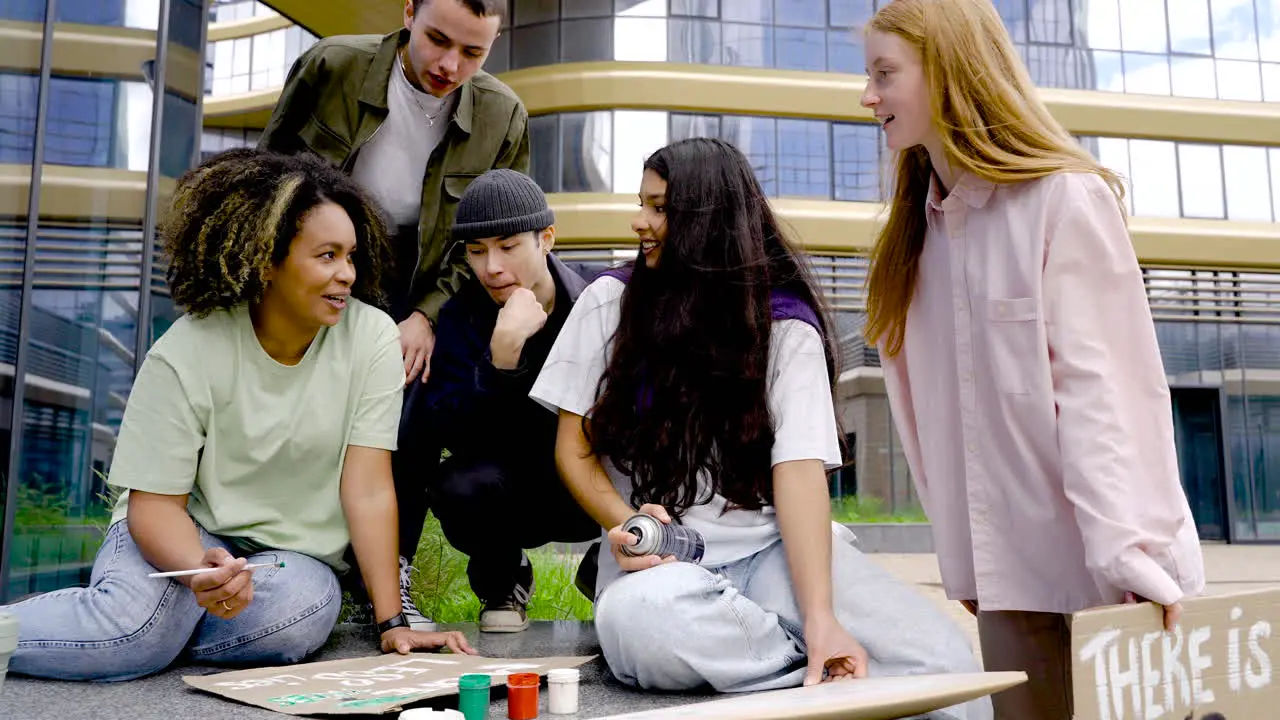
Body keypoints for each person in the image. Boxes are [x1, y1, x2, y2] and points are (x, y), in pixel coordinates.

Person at [527, 138, 989, 719]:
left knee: (949, 665)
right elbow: (573, 448)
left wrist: (821, 616)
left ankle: (810, 656)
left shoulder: (784, 326)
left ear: (707, 221)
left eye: (660, 208)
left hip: (776, 556)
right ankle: (823, 680)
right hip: (664, 570)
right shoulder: (608, 302)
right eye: (642, 203)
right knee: (638, 621)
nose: (639, 221)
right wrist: (630, 521)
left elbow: (797, 472)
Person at [0, 149, 474, 682]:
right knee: (131, 631)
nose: (347, 274)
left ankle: (160, 637)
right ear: (267, 259)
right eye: (326, 256)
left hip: (285, 562)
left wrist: (393, 621)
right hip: (183, 533)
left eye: (351, 256)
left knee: (299, 616)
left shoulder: (372, 339)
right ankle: (135, 638)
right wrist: (202, 571)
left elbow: (367, 488)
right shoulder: (189, 349)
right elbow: (155, 506)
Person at [858, 1, 1206, 718]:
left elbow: (1104, 394)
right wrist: (963, 555)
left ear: (948, 72)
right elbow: (933, 418)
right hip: (1004, 582)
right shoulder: (914, 242)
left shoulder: (1065, 201)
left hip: (1107, 579)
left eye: (884, 74)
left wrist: (1128, 553)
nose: (869, 97)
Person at [258, 0, 527, 628]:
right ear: (408, 12)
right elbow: (263, 178)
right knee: (315, 413)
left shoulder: (502, 113)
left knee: (412, 416)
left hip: (433, 277)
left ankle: (395, 575)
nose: (448, 64)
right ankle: (305, 562)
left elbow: (493, 234)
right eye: (437, 40)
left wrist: (427, 316)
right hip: (332, 259)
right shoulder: (333, 67)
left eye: (472, 52)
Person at [401, 169, 599, 633]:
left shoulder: (596, 301)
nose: (491, 266)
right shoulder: (459, 317)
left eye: (508, 246)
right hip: (511, 490)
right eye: (476, 251)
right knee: (457, 483)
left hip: (592, 487)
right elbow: (453, 431)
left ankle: (605, 570)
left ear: (546, 238)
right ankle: (503, 581)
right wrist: (500, 360)